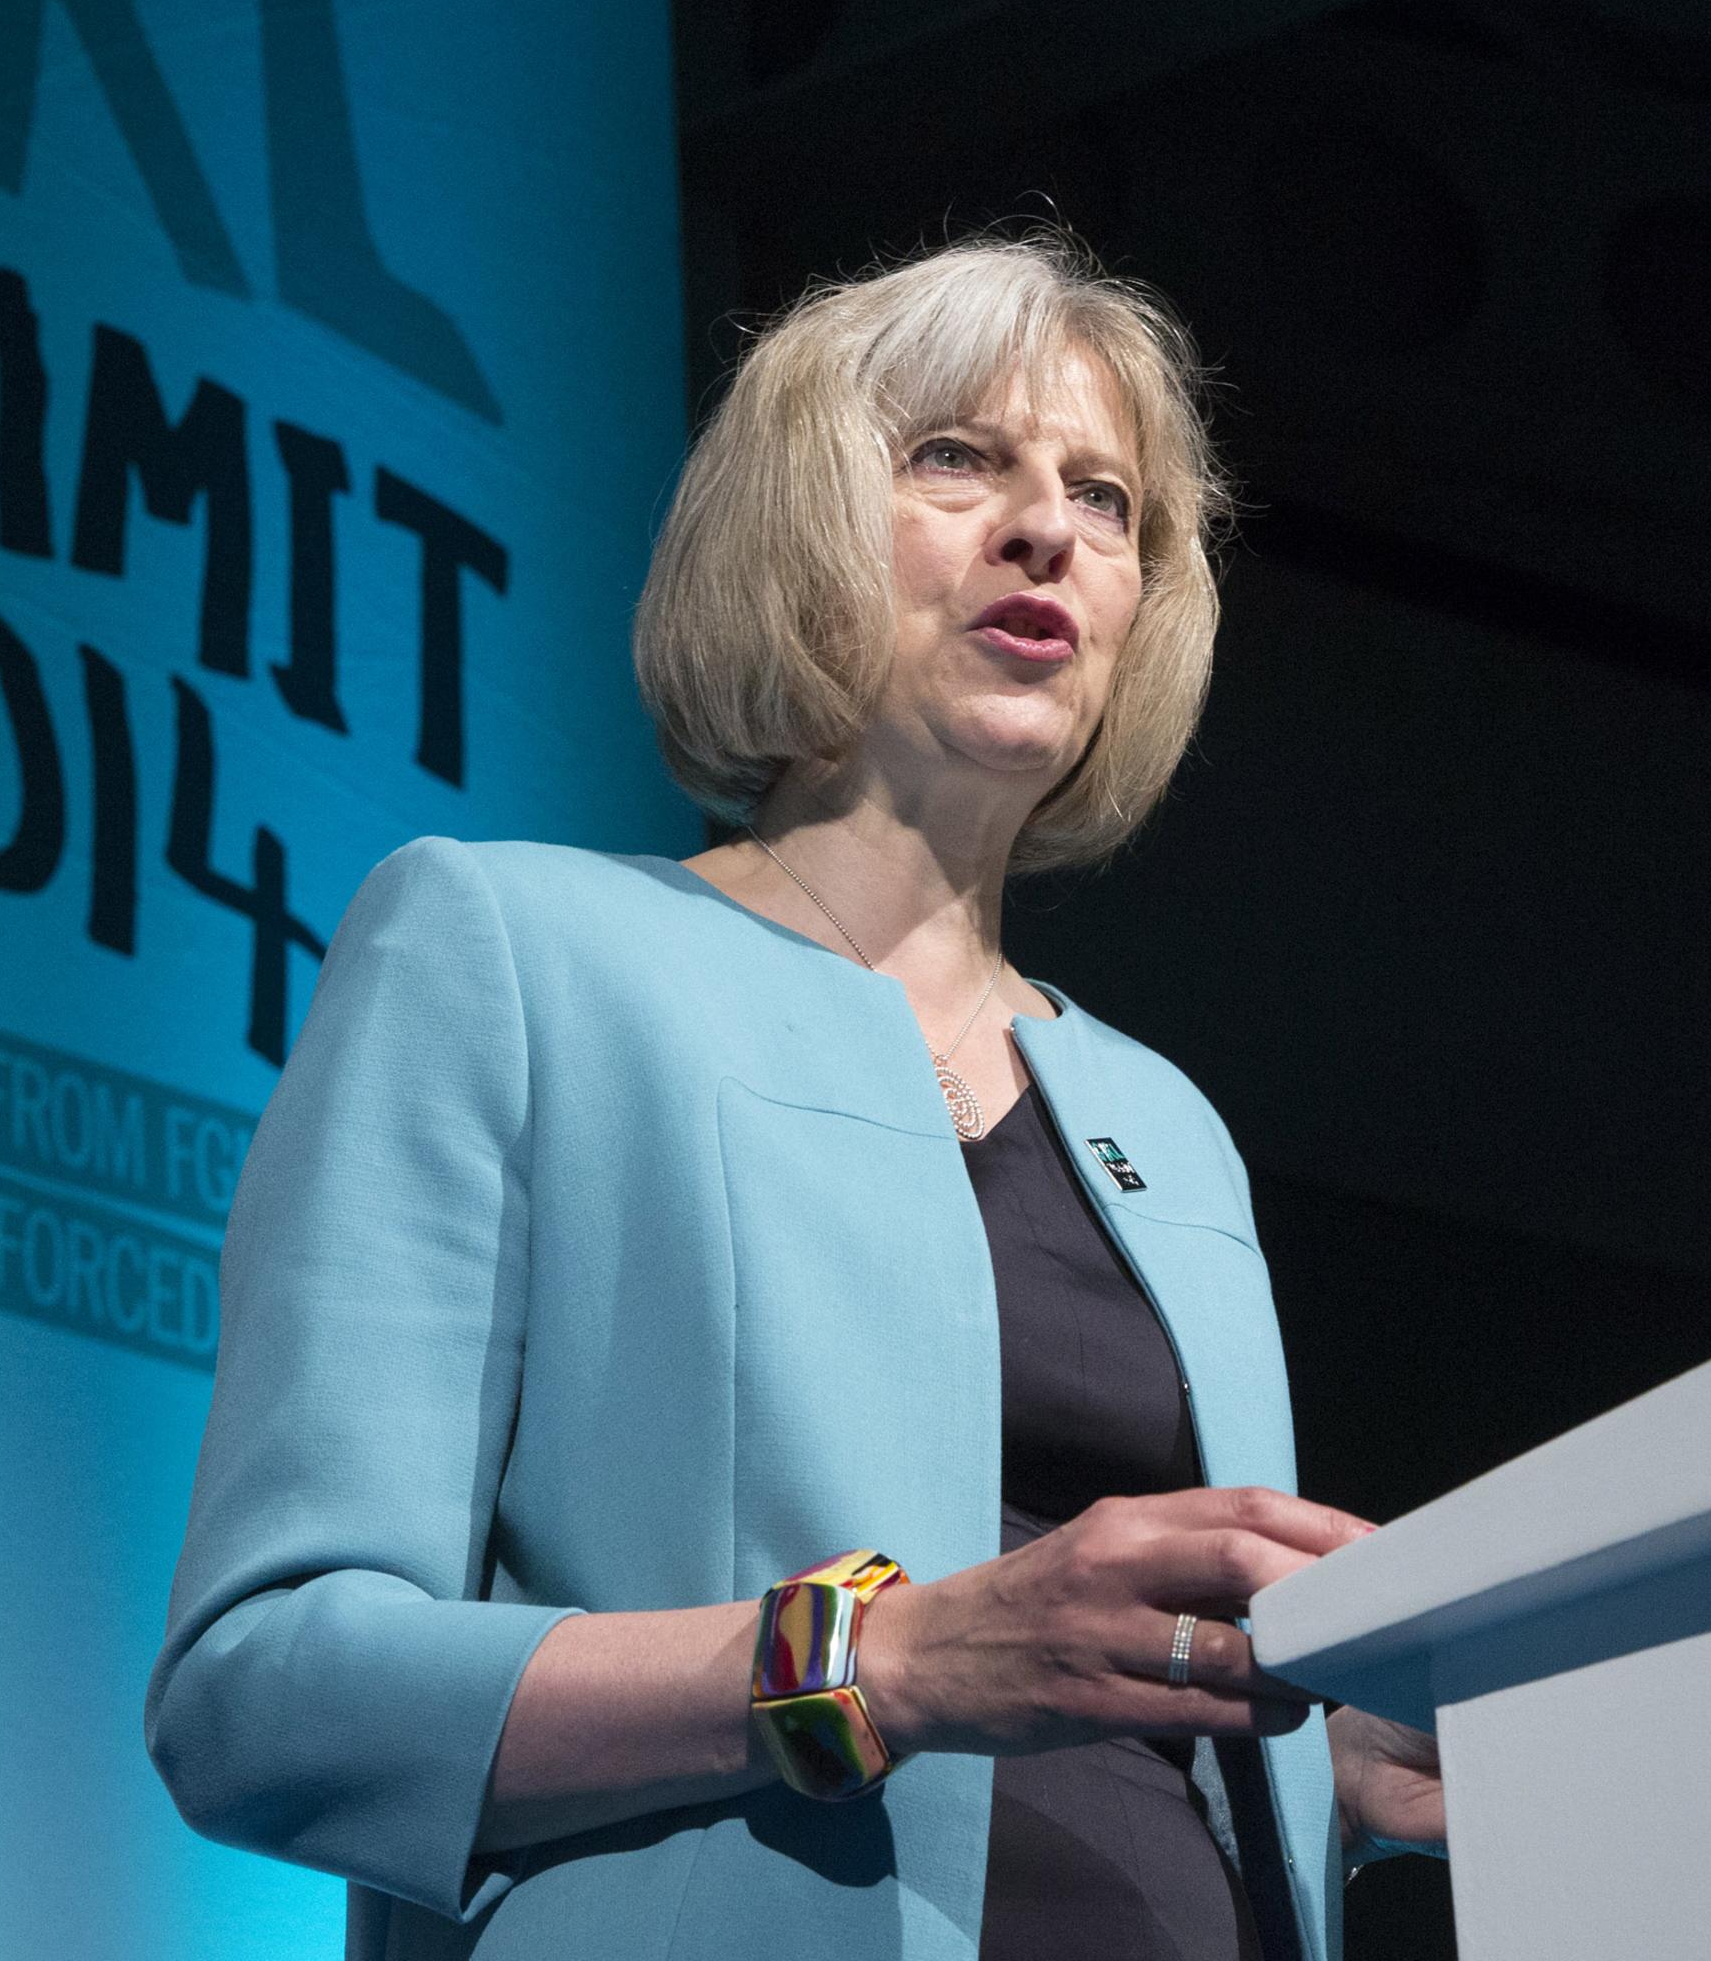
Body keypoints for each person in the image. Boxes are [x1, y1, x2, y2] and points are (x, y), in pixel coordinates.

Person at [148, 230, 1445, 1958]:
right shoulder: (512, 952)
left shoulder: (1169, 1125)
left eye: (1108, 498)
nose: (1048, 528)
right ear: (797, 527)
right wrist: (878, 1666)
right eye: (957, 459)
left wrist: (1332, 1759)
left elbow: (1100, 1739)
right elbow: (265, 1690)